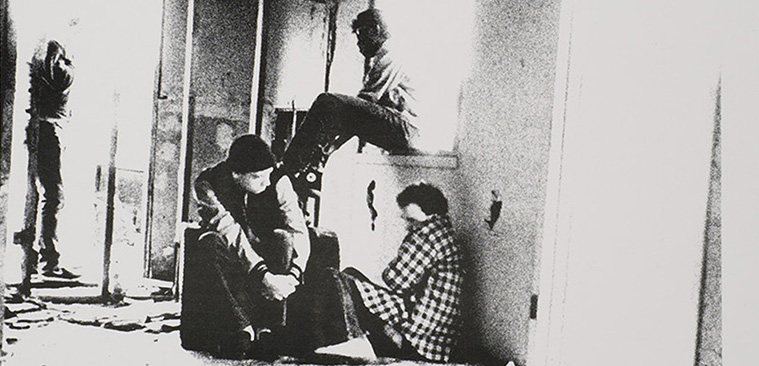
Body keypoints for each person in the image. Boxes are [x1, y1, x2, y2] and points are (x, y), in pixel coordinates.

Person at [186, 134, 310, 359]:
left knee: (283, 238)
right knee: (209, 242)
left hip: (271, 256)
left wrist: (293, 274)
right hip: (233, 256)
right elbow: (229, 231)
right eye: (257, 177)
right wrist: (262, 275)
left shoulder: (279, 180)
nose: (266, 181)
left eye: (268, 174)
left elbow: (299, 229)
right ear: (236, 174)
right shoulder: (207, 184)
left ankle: (269, 328)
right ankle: (241, 328)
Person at [281, 8, 420, 198]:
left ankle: (288, 169)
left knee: (327, 102)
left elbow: (362, 104)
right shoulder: (385, 58)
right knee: (336, 109)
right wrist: (331, 147)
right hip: (402, 132)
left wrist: (333, 144)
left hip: (406, 130)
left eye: (361, 36)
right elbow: (357, 117)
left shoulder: (392, 55)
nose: (358, 44)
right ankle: (308, 170)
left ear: (376, 29)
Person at [342, 183, 464, 362]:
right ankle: (375, 339)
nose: (408, 226)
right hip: (440, 337)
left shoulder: (427, 235)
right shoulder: (445, 231)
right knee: (352, 275)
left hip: (422, 339)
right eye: (406, 220)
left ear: (431, 215)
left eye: (412, 221)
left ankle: (389, 341)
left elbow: (395, 280)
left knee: (343, 280)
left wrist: (410, 240)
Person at [13, 39, 79, 281]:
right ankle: (48, 262)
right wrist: (69, 58)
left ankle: (38, 260)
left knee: (43, 195)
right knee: (53, 196)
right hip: (46, 130)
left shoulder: (45, 55)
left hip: (43, 129)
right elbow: (61, 76)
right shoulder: (55, 59)